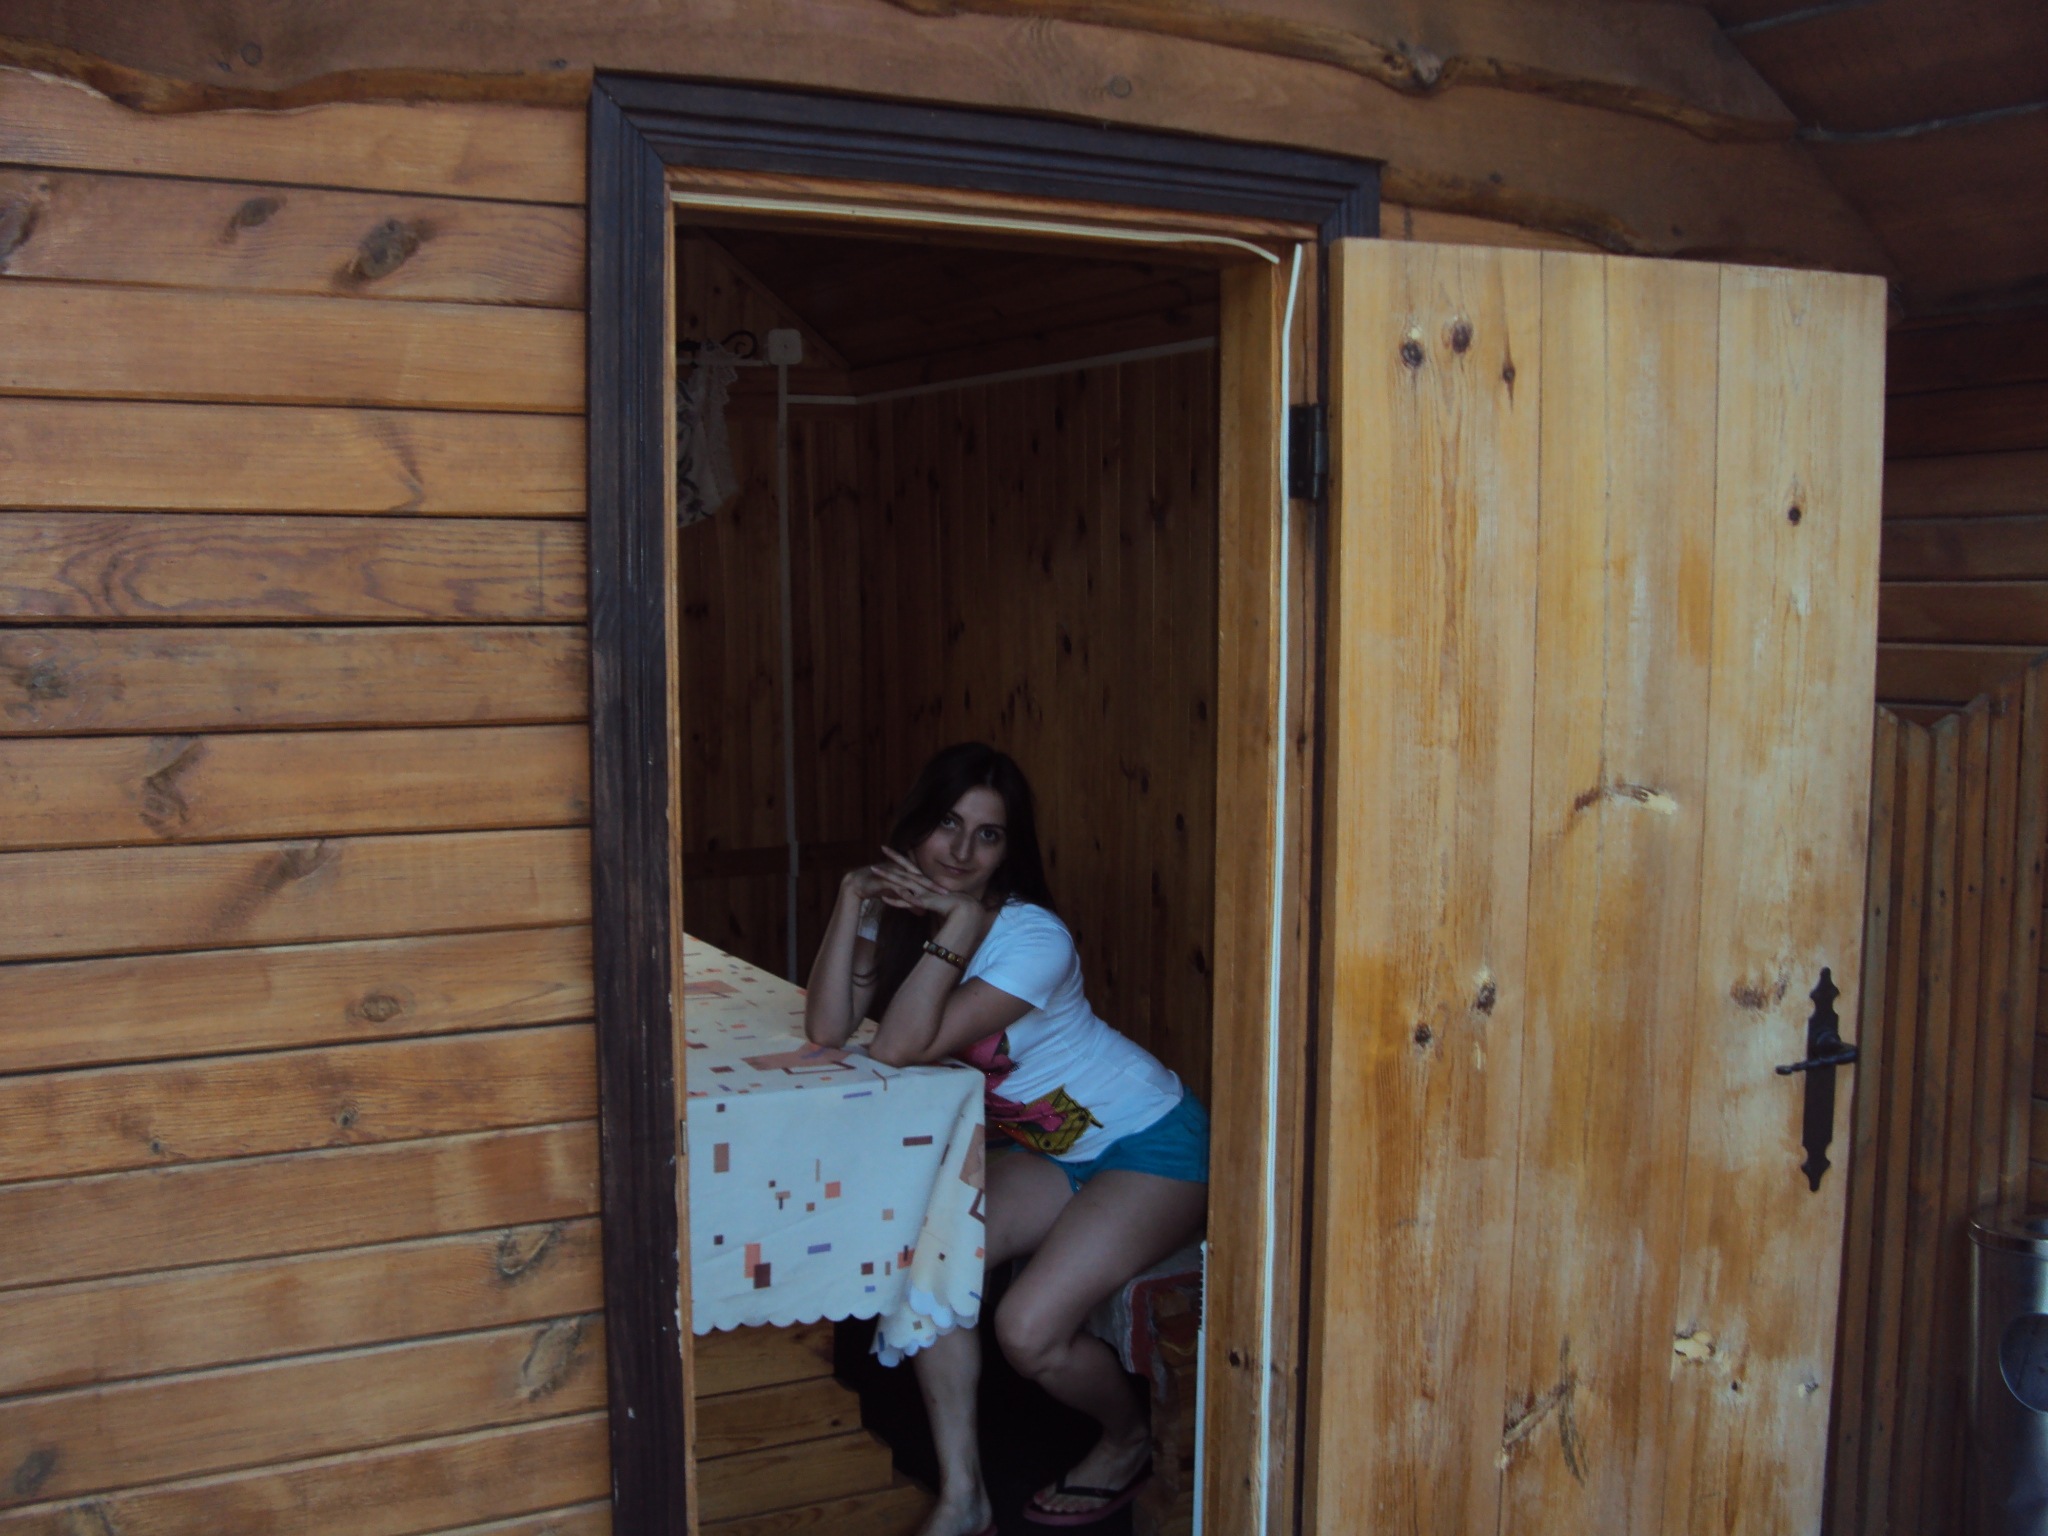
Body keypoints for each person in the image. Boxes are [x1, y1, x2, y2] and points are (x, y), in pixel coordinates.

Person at [805, 742, 1209, 1534]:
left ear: (1009, 850)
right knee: (928, 1259)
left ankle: (1127, 1438)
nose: (960, 851)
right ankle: (965, 1498)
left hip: (1154, 1144)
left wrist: (958, 922)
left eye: (987, 835)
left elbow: (900, 1045)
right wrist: (853, 899)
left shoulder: (1033, 938)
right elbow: (827, 1027)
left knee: (1027, 1331)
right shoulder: (901, 909)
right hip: (1057, 1151)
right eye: (948, 824)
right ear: (917, 826)